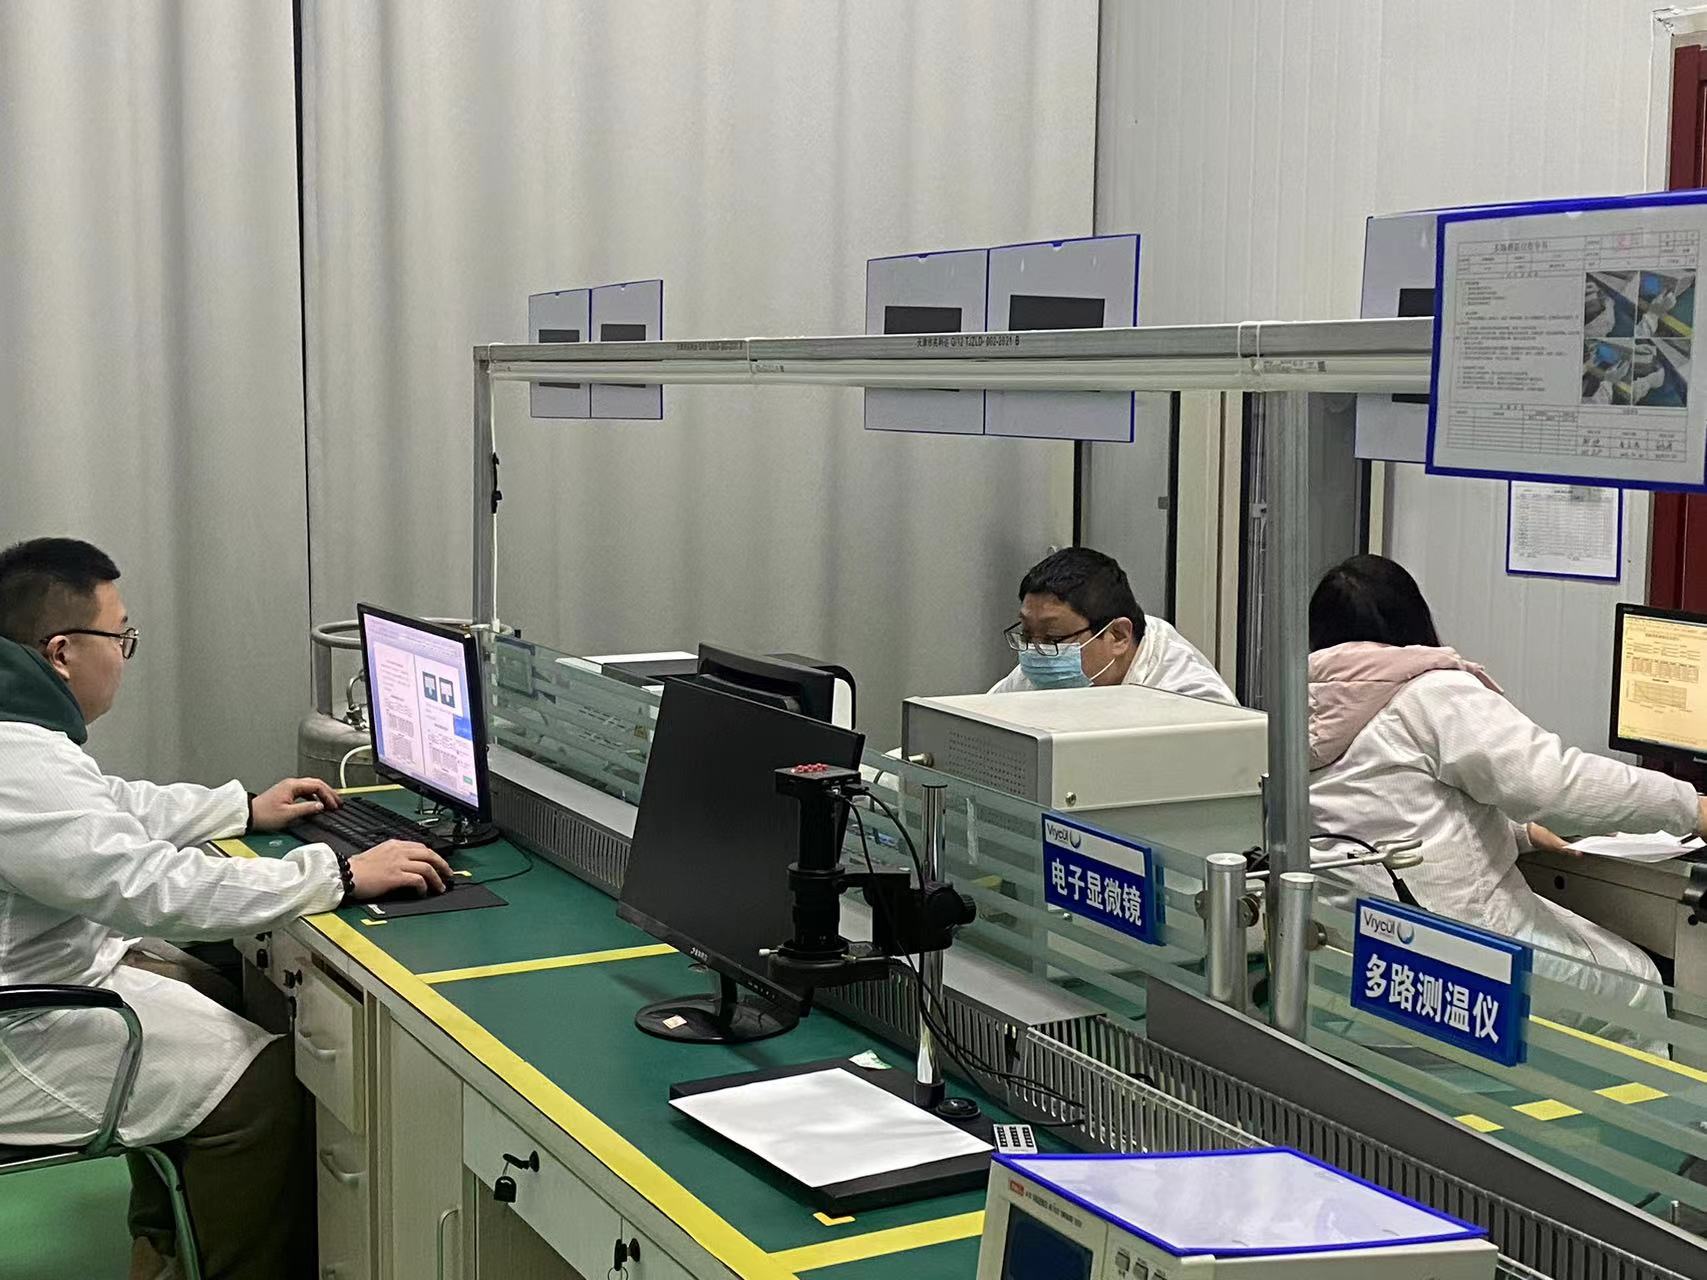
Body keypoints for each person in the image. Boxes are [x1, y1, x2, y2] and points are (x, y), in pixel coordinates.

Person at [0, 537, 454, 1280]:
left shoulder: (24, 737)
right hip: (20, 1032)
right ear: (61, 653)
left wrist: (240, 807)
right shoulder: (16, 762)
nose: (125, 655)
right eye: (121, 637)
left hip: (43, 980)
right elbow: (152, 889)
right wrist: (337, 873)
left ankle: (163, 1245)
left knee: (214, 986)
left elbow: (106, 807)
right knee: (262, 1092)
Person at [1307, 554, 1706, 1055]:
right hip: (1457, 953)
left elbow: (1389, 808)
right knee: (1635, 982)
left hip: (1362, 955)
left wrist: (1521, 832)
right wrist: (1692, 807)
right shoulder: (1429, 693)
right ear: (1413, 620)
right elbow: (1553, 785)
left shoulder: (1307, 705)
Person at [989, 547, 1236, 704]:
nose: (1036, 652)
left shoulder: (1193, 700)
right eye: (1027, 634)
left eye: (1053, 637)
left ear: (1118, 636)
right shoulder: (1042, 660)